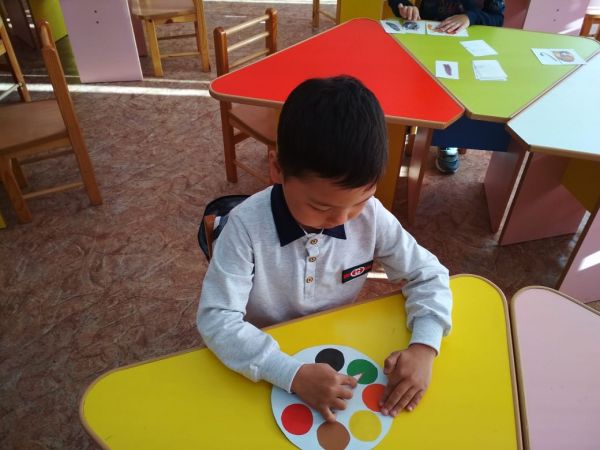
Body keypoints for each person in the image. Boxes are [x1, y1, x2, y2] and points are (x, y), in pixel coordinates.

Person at [197, 76, 452, 422]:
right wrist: (291, 373)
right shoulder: (245, 228)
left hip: (333, 340)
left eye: (361, 200)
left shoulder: (372, 216)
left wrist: (424, 346)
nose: (341, 220)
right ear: (277, 168)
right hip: (261, 354)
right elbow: (217, 318)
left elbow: (429, 273)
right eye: (320, 207)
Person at [388, 0, 505, 173]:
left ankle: (448, 142)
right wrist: (404, 6)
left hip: (467, 46)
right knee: (409, 87)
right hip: (426, 39)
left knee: (455, 96)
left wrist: (469, 17)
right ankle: (402, 132)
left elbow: (497, 18)